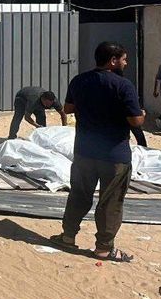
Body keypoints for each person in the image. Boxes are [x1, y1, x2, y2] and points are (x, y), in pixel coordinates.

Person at [50, 42, 145, 263]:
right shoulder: (123, 85)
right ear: (112, 61)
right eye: (123, 58)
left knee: (79, 195)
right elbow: (136, 120)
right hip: (114, 155)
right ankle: (103, 248)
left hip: (84, 151)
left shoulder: (79, 81)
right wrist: (142, 114)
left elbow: (68, 109)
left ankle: (67, 236)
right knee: (110, 202)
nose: (125, 62)